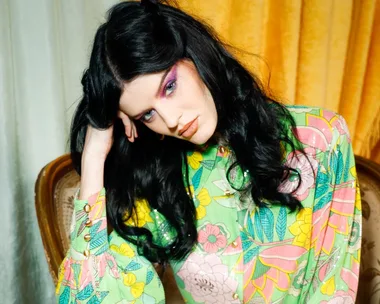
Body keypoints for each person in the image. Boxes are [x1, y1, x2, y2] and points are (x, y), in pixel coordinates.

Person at [56, 0, 362, 303]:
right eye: (147, 115)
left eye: (170, 87)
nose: (172, 120)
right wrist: (95, 155)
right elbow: (90, 298)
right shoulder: (158, 178)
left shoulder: (319, 137)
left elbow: (333, 285)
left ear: (193, 55)